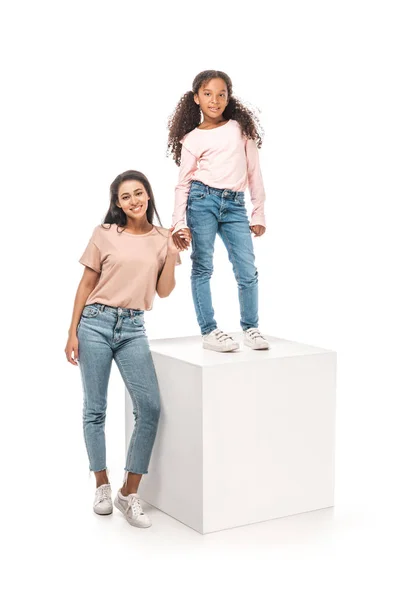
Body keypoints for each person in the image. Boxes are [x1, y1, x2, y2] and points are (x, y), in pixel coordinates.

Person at [64, 170, 185, 528]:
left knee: (149, 407)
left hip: (133, 328)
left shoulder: (164, 238)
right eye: (125, 196)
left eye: (139, 193)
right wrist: (72, 333)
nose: (134, 200)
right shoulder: (105, 233)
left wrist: (174, 254)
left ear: (148, 196)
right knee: (95, 409)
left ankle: (128, 493)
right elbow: (86, 284)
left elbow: (163, 292)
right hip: (96, 324)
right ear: (117, 203)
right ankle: (101, 484)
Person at [168, 69, 269, 352]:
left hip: (235, 205)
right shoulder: (192, 139)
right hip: (202, 201)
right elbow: (182, 184)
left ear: (228, 97)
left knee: (247, 269)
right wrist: (178, 223)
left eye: (221, 94)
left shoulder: (241, 130)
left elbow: (254, 172)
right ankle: (209, 331)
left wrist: (257, 212)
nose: (215, 100)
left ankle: (251, 327)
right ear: (197, 98)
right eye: (208, 94)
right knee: (203, 266)